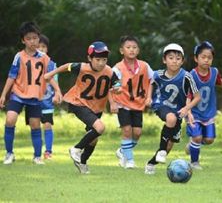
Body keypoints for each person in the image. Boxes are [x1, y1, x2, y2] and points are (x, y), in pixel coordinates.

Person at [44, 41, 121, 174]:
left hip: (96, 107)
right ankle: (76, 149)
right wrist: (51, 74)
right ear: (89, 58)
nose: (101, 63)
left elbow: (115, 84)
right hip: (78, 102)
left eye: (104, 59)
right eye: (97, 59)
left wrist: (117, 92)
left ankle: (83, 162)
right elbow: (67, 66)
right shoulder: (82, 67)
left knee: (93, 139)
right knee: (100, 127)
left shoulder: (109, 71)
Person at [0, 21, 62, 165]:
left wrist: (58, 91)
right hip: (18, 94)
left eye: (35, 38)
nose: (32, 41)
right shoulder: (19, 56)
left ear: (38, 38)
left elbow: (50, 75)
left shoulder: (44, 57)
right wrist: (4, 95)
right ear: (23, 40)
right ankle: (9, 153)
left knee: (35, 125)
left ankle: (37, 156)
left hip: (35, 97)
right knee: (10, 119)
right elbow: (11, 76)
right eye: (29, 38)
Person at [144, 43, 201, 175]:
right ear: (164, 60)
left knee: (169, 144)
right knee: (171, 118)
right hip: (161, 105)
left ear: (182, 61)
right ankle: (162, 152)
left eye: (178, 58)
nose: (174, 61)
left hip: (179, 111)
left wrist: (187, 108)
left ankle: (151, 163)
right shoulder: (158, 74)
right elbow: (151, 83)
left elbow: (197, 97)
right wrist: (148, 98)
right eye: (171, 58)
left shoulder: (186, 76)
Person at [185, 41, 222, 170]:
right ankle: (194, 162)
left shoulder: (214, 72)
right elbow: (188, 95)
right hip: (194, 112)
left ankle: (192, 145)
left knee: (209, 140)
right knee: (197, 137)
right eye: (203, 57)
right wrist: (189, 112)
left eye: (209, 58)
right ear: (196, 58)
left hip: (208, 111)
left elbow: (219, 81)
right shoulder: (191, 75)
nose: (206, 60)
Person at [109, 35, 153, 169]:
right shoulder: (117, 68)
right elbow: (109, 87)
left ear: (138, 50)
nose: (131, 50)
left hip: (138, 104)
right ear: (122, 51)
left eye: (134, 47)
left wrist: (149, 97)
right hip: (122, 103)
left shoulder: (144, 66)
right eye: (128, 47)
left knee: (137, 133)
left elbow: (152, 80)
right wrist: (112, 103)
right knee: (127, 131)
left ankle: (122, 150)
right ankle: (130, 160)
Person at [26, 34, 58, 160]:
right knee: (35, 126)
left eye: (43, 47)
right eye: (39, 47)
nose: (41, 49)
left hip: (47, 100)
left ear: (47, 49)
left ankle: (48, 151)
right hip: (33, 99)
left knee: (48, 124)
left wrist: (56, 93)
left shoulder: (52, 64)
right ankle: (37, 152)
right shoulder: (29, 63)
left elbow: (55, 80)